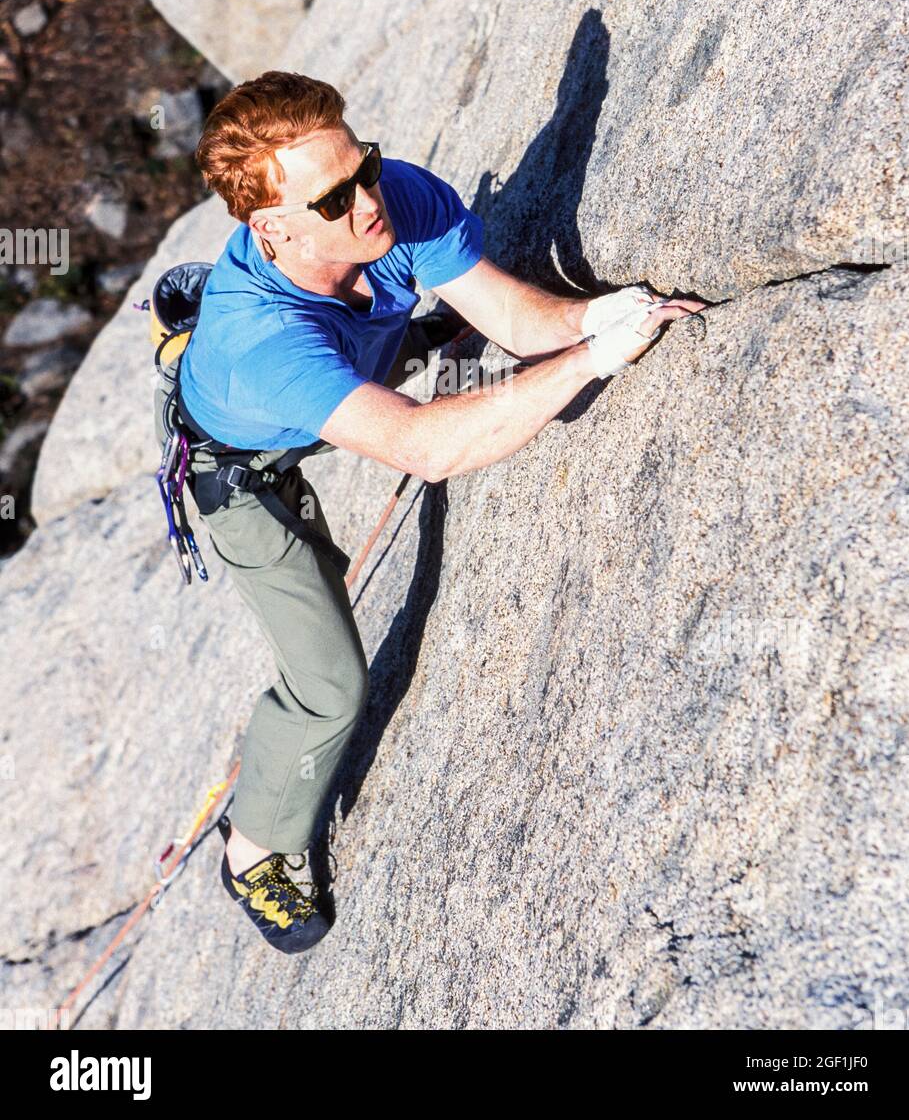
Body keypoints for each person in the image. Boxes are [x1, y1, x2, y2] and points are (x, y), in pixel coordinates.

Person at [153, 70, 704, 953]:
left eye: (363, 164)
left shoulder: (390, 198)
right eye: (336, 197)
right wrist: (589, 362)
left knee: (428, 343)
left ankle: (399, 340)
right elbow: (426, 448)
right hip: (240, 471)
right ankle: (254, 845)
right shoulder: (267, 346)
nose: (369, 198)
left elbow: (518, 320)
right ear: (272, 226)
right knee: (331, 684)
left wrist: (596, 316)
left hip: (336, 372)